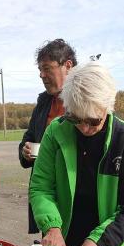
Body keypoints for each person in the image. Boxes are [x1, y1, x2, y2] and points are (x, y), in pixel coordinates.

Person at [29, 62, 124, 246]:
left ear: (108, 107)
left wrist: (99, 241)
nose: (84, 128)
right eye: (76, 119)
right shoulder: (56, 132)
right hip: (62, 244)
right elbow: (41, 187)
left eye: (93, 121)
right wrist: (51, 228)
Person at [19, 38, 77, 234]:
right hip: (47, 197)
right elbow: (28, 137)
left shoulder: (87, 98)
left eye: (47, 68)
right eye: (40, 70)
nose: (42, 75)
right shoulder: (44, 103)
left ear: (67, 66)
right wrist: (26, 151)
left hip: (78, 196)